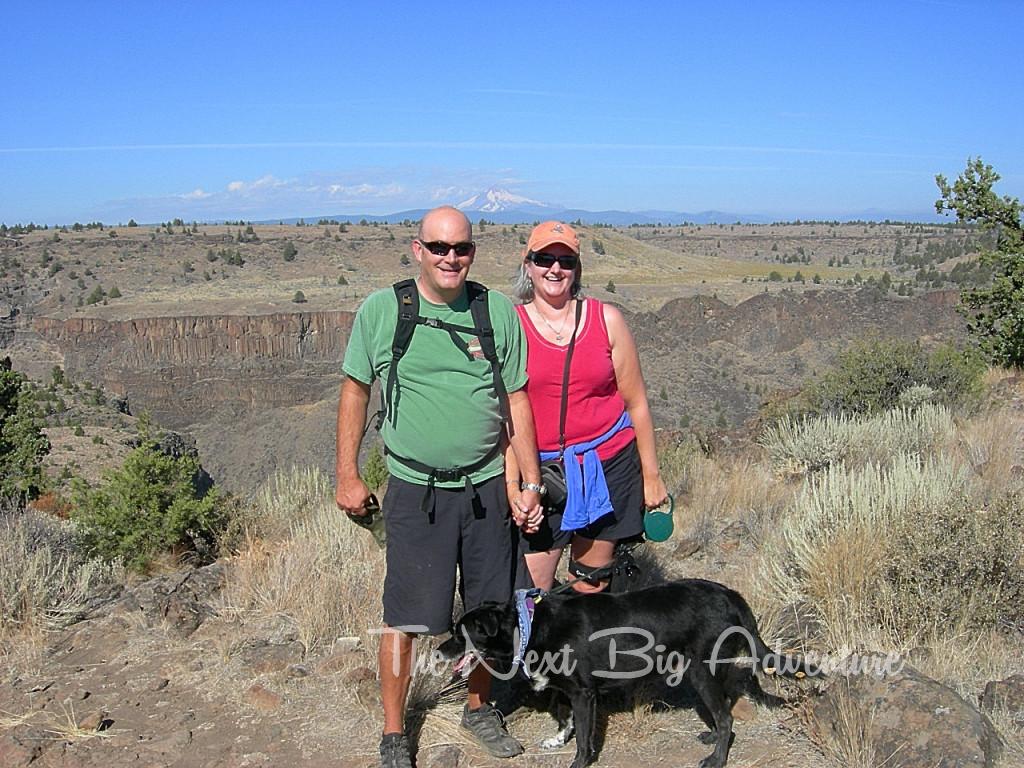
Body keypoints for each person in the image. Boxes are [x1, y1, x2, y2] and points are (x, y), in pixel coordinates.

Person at [335, 206, 543, 768]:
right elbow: (356, 389)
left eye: (462, 248)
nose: (451, 258)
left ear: (473, 252)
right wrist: (347, 473)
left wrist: (528, 480)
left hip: (484, 490)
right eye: (439, 247)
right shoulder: (384, 311)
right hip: (414, 490)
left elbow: (515, 399)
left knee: (490, 609)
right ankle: (395, 732)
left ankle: (479, 707)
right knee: (405, 615)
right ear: (417, 249)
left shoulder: (495, 311)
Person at [506, 220, 668, 593]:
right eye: (544, 258)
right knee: (530, 593)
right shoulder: (511, 327)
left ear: (577, 269)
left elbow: (636, 403)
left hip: (607, 467)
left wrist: (652, 475)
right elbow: (506, 416)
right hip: (540, 473)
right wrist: (513, 485)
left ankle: (582, 652)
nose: (555, 268)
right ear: (528, 265)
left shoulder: (606, 320)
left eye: (566, 260)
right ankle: (533, 653)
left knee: (590, 585)